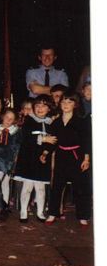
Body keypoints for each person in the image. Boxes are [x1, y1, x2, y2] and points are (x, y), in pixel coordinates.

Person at [44, 92, 92, 227]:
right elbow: (52, 141)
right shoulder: (56, 122)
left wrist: (86, 159)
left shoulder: (81, 121)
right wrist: (46, 152)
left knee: (81, 188)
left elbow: (86, 141)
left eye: (70, 102)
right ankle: (53, 213)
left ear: (75, 105)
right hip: (61, 156)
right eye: (64, 102)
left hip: (77, 156)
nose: (66, 104)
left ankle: (83, 216)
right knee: (57, 186)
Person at [13, 94, 56, 222]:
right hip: (28, 160)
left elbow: (53, 142)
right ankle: (23, 211)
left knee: (41, 188)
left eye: (44, 106)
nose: (40, 108)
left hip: (42, 161)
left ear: (49, 109)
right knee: (27, 187)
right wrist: (43, 138)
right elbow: (25, 138)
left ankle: (40, 212)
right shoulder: (28, 121)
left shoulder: (51, 123)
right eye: (37, 105)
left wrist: (46, 153)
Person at [0, 108, 22, 212]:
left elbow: (18, 146)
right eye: (7, 117)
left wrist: (16, 159)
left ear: (14, 120)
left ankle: (5, 204)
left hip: (10, 160)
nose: (8, 120)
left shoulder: (16, 131)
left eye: (11, 119)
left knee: (5, 182)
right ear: (3, 116)